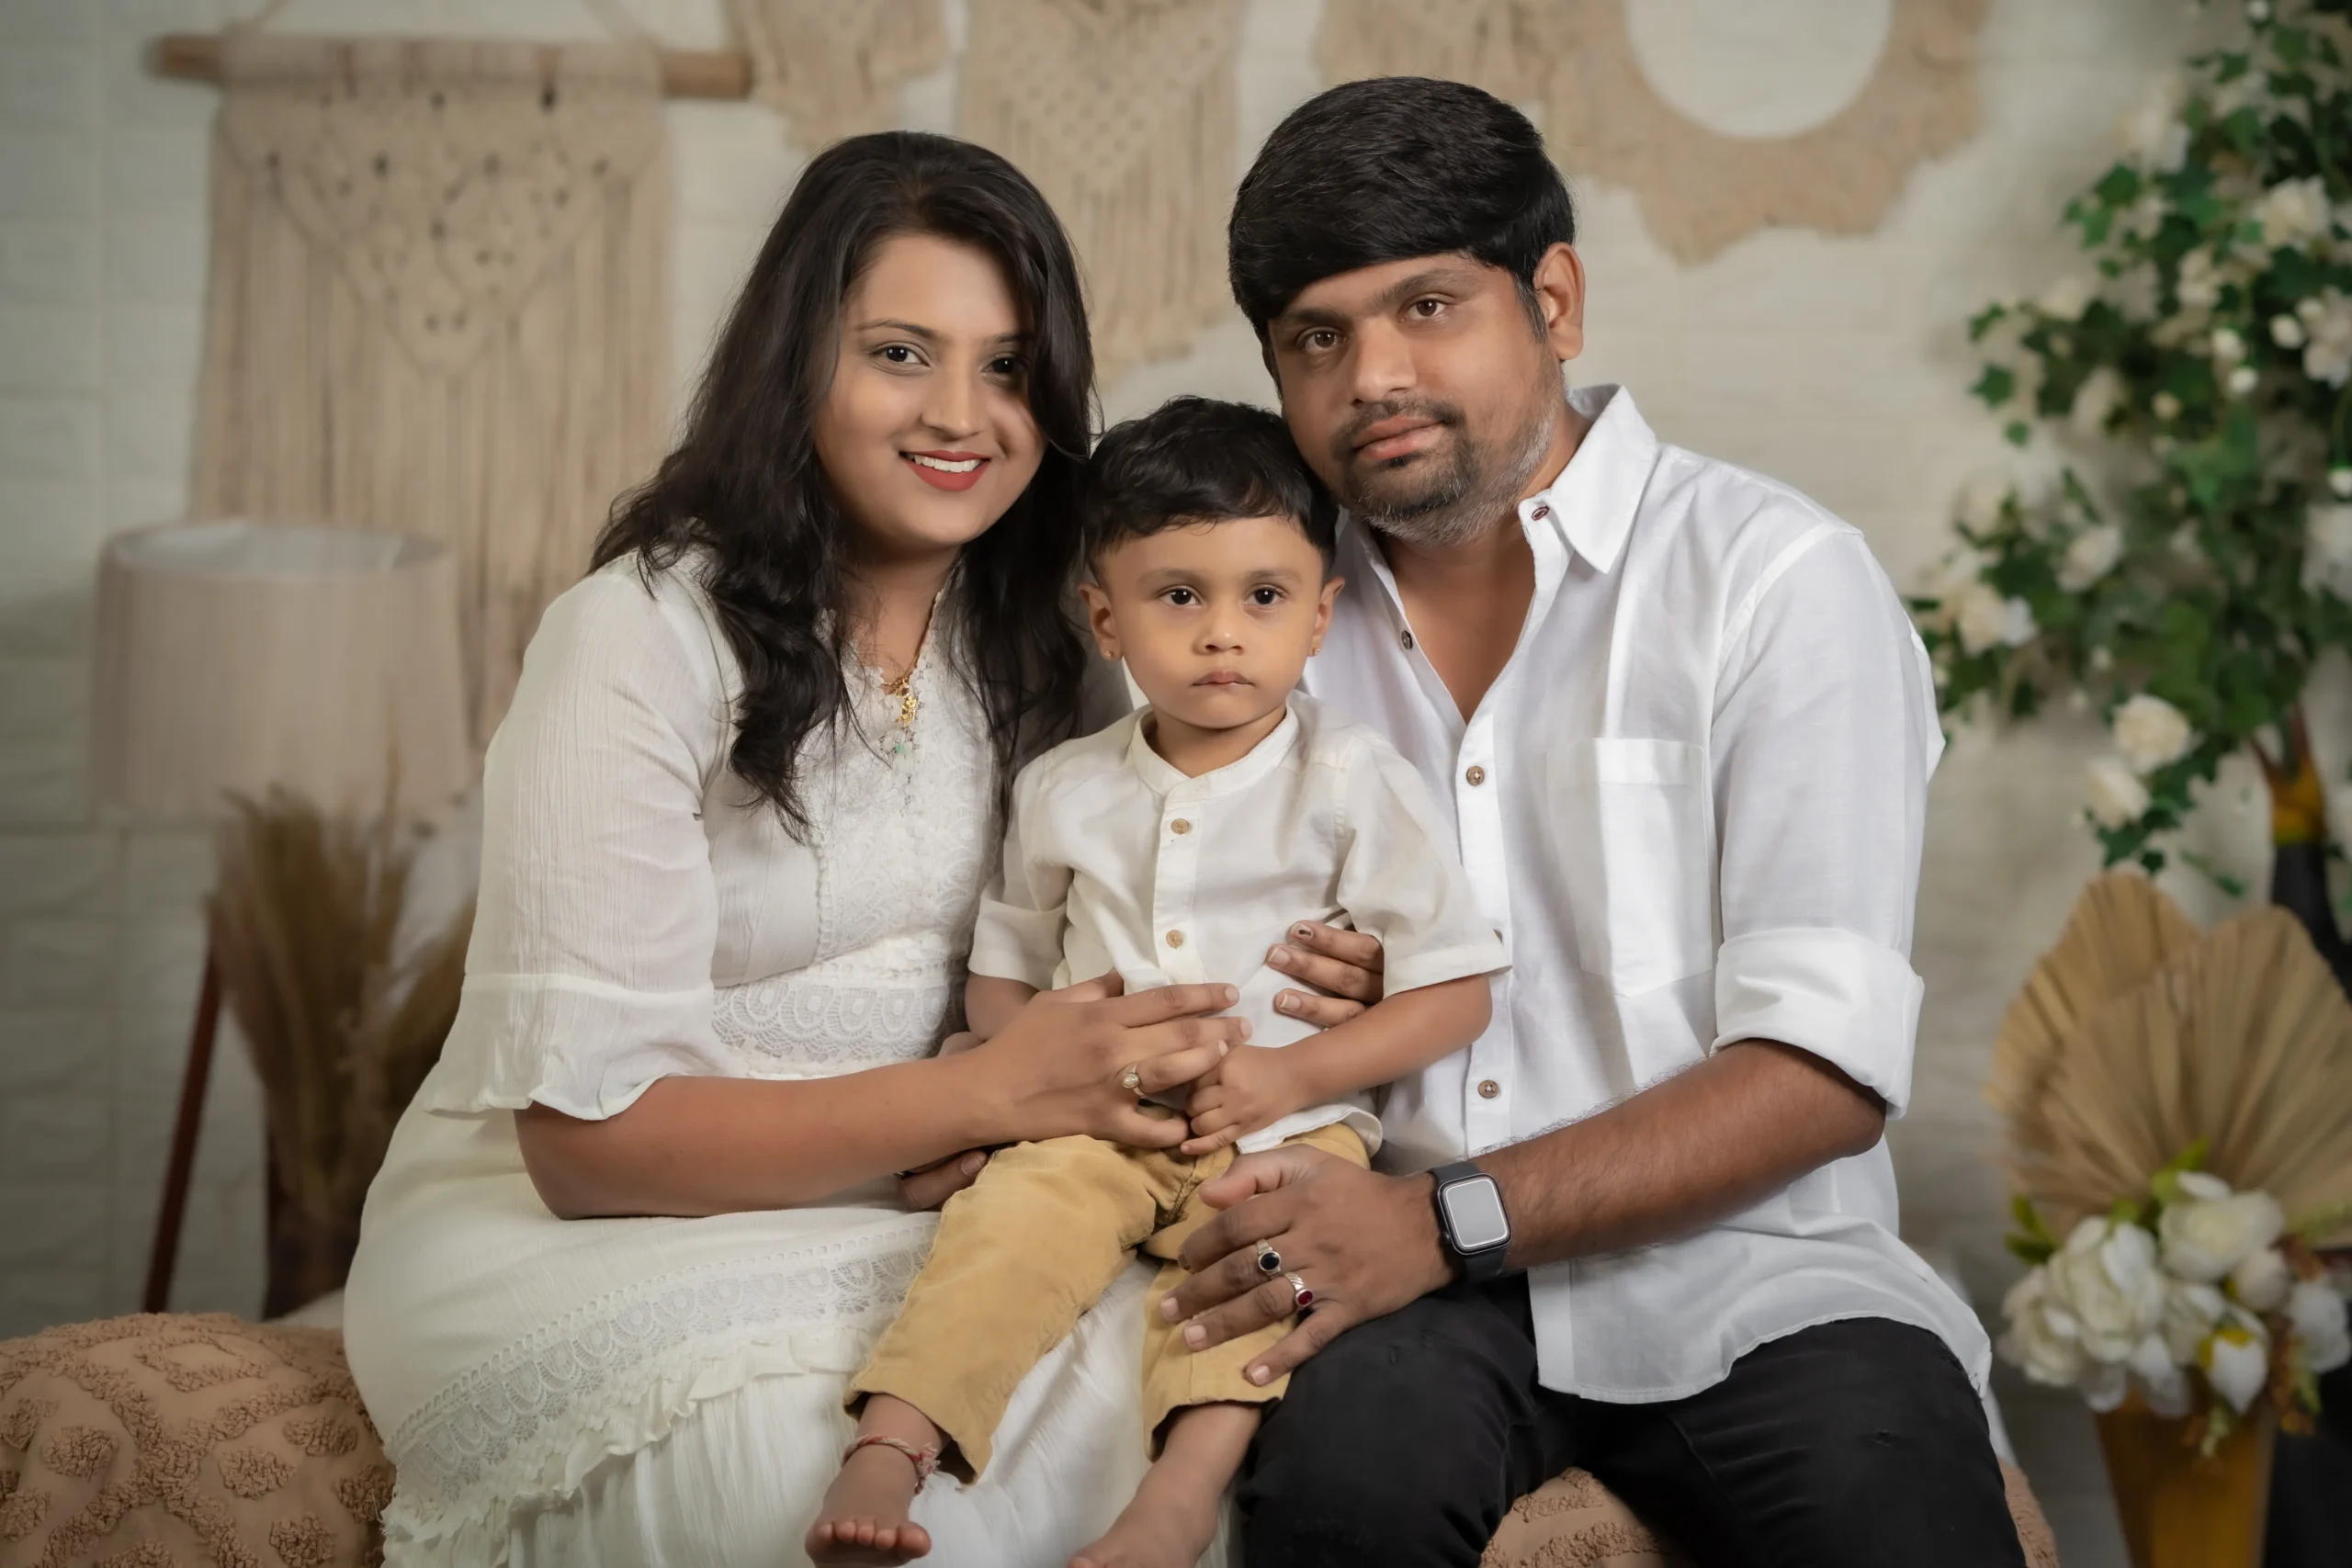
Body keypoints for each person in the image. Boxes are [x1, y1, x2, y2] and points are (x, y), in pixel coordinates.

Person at [341, 133, 1257, 1567]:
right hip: (578, 1228)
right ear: (795, 361)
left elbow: (1123, 929)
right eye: (900, 354)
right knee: (794, 1479)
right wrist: (982, 1093)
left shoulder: (1054, 642)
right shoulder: (637, 634)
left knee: (1164, 1405)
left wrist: (1328, 955)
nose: (961, 414)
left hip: (928, 1206)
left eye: (1009, 367)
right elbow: (583, 1148)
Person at [1148, 77, 2028, 1567]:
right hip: (1407, 1297)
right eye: (1318, 338)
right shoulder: (1252, 626)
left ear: (1553, 300)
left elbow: (1819, 1074)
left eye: (1428, 308)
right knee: (1335, 1506)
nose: (1373, 376)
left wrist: (1441, 1220)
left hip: (1762, 1276)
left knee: (1897, 1520)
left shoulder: (1774, 582)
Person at [808, 397, 1506, 1568]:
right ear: (1106, 618)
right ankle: (894, 1441)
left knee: (1263, 1268)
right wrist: (1042, 1083)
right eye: (1178, 597)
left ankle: (1177, 1498)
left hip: (1284, 1126)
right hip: (1099, 1121)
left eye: (1263, 597)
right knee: (1008, 1227)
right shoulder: (1064, 789)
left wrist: (1292, 1075)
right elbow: (1004, 977)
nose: (1222, 634)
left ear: (1320, 616)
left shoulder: (1352, 780)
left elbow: (1455, 992)